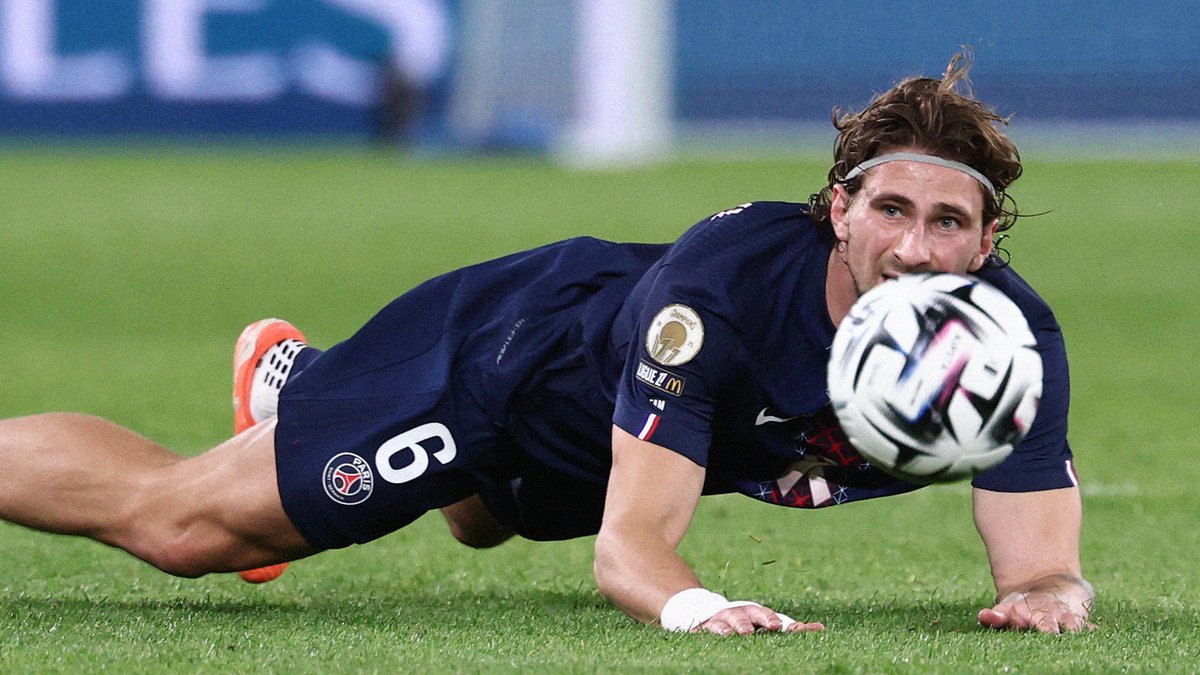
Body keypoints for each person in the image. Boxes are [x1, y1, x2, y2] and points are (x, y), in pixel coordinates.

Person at [0, 53, 1093, 635]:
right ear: (839, 209)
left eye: (948, 222)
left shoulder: (1009, 347)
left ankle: (313, 388)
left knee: (483, 522)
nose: (914, 248)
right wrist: (702, 609)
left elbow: (1044, 560)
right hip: (504, 362)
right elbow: (632, 548)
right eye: (890, 209)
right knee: (189, 529)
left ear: (988, 240)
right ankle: (318, 406)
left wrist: (1051, 593)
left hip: (600, 434)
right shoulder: (715, 299)